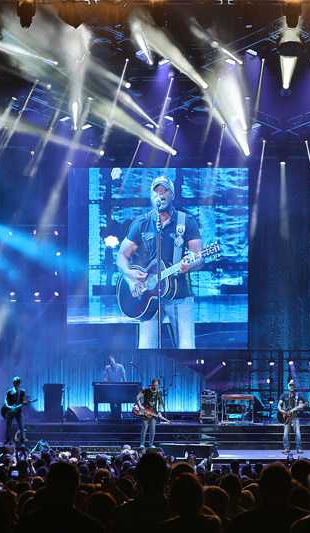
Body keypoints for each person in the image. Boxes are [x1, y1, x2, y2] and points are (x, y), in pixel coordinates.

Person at [117, 175, 203, 349]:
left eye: (165, 191)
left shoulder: (186, 222)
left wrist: (190, 265)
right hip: (148, 298)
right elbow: (121, 257)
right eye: (156, 192)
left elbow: (199, 257)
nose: (160, 195)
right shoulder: (141, 223)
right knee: (146, 348)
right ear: (151, 196)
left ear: (172, 195)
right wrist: (130, 277)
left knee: (187, 347)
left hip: (179, 295)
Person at [136, 378, 169, 449]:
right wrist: (140, 406)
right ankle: (142, 444)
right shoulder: (146, 390)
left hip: (154, 413)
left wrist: (159, 411)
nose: (155, 386)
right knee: (144, 427)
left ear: (158, 385)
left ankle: (151, 444)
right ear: (151, 384)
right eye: (154, 385)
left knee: (152, 429)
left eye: (156, 385)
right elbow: (137, 397)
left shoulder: (159, 392)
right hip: (145, 412)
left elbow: (160, 403)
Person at [278, 380, 306, 454]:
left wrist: (297, 408)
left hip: (295, 417)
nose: (291, 386)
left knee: (298, 433)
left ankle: (299, 448)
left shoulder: (298, 395)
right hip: (287, 417)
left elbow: (305, 403)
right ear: (288, 386)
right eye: (290, 385)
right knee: (285, 434)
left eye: (293, 385)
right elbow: (279, 405)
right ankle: (286, 448)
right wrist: (281, 411)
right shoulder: (284, 395)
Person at [3, 377, 28, 446]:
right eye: (15, 382)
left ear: (19, 383)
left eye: (17, 382)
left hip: (18, 411)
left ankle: (22, 440)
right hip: (10, 411)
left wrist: (23, 403)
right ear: (13, 382)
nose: (16, 383)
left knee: (21, 426)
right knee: (8, 426)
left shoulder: (22, 391)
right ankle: (7, 439)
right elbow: (5, 401)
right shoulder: (9, 391)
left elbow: (23, 401)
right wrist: (9, 407)